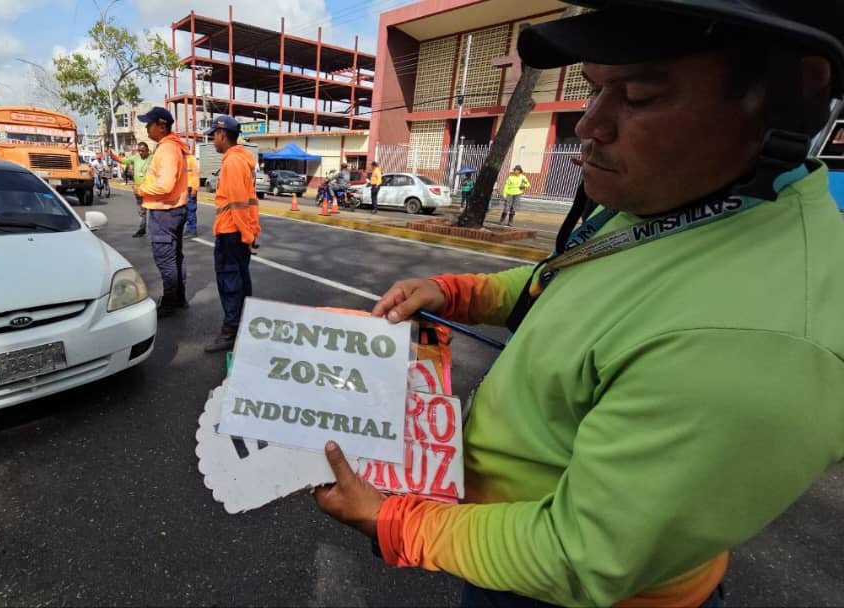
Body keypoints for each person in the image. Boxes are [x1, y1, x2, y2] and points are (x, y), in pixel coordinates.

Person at [313, 2, 844, 607]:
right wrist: (461, 293)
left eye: (638, 97)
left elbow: (577, 554)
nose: (590, 125)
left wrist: (393, 521)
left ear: (790, 96)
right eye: (592, 90)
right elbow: (574, 281)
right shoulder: (690, 205)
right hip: (501, 552)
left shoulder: (749, 340)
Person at [203, 116, 261, 353]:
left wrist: (248, 235)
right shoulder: (240, 160)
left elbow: (238, 204)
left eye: (213, 135)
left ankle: (231, 331)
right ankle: (243, 326)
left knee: (230, 283)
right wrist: (251, 232)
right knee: (240, 281)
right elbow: (249, 202)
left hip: (231, 233)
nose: (211, 140)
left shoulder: (233, 163)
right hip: (237, 233)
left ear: (222, 135)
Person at [133, 107, 190, 318]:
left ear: (162, 125)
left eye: (149, 124)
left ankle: (170, 303)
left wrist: (141, 189)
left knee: (166, 259)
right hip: (174, 209)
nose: (146, 127)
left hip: (165, 211)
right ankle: (179, 298)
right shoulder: (172, 147)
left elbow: (165, 185)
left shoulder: (167, 150)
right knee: (175, 257)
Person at [111, 142, 153, 237]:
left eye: (143, 151)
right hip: (138, 189)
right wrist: (114, 157)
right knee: (141, 211)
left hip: (150, 188)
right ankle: (142, 229)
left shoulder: (152, 157)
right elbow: (124, 161)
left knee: (153, 210)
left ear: (147, 150)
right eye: (139, 151)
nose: (141, 153)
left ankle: (155, 230)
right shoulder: (136, 157)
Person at [184, 149, 200, 239]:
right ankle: (188, 229)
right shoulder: (182, 159)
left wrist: (195, 188)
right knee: (185, 211)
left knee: (191, 210)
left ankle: (192, 231)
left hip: (190, 188)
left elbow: (196, 175)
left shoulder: (191, 159)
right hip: (183, 189)